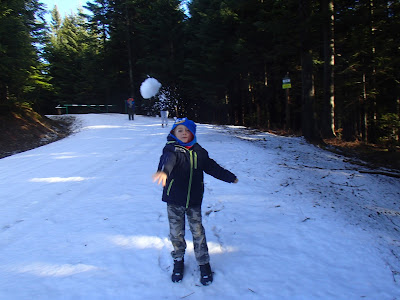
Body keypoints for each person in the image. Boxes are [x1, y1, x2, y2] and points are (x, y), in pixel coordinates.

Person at [153, 118, 238, 285]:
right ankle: (178, 260)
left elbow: (213, 167)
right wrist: (164, 172)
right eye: (180, 131)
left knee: (198, 232)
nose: (184, 133)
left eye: (187, 130)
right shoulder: (171, 149)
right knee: (176, 233)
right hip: (174, 200)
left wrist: (229, 177)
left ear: (192, 132)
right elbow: (167, 161)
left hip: (194, 200)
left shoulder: (200, 152)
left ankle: (203, 263)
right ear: (174, 133)